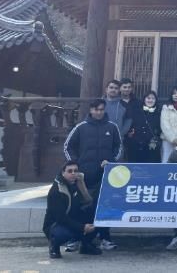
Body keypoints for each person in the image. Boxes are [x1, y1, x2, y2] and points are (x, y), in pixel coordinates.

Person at [63, 98, 122, 251]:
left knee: (104, 206)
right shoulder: (81, 127)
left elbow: (119, 147)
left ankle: (104, 238)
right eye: (96, 109)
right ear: (91, 110)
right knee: (79, 207)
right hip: (84, 176)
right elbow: (68, 146)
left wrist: (111, 161)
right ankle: (76, 238)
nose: (99, 112)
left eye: (101, 109)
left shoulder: (112, 127)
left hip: (104, 175)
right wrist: (75, 165)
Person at [43, 161, 100, 258]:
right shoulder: (57, 191)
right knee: (64, 234)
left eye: (75, 171)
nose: (73, 173)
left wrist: (81, 184)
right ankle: (54, 246)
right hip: (55, 225)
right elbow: (61, 218)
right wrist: (82, 227)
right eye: (70, 171)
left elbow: (88, 201)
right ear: (63, 173)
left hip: (72, 218)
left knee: (97, 215)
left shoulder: (75, 184)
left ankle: (85, 245)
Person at [125, 89, 160, 163]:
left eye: (153, 98)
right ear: (144, 99)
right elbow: (130, 125)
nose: (150, 100)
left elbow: (159, 129)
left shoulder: (158, 112)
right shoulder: (137, 111)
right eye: (148, 98)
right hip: (137, 146)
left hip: (152, 146)